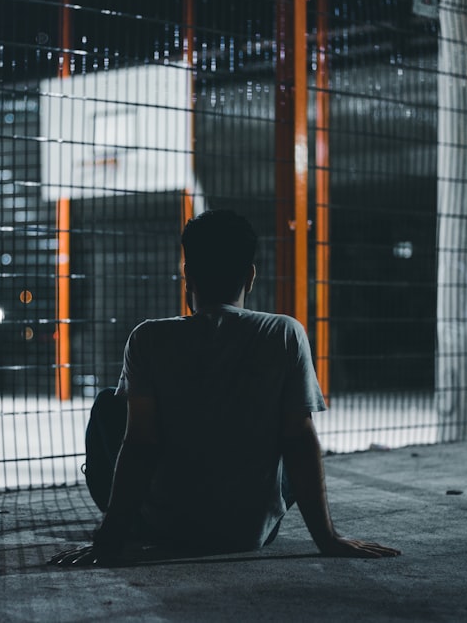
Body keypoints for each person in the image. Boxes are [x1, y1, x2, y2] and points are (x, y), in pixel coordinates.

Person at [51, 210, 399, 566]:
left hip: (165, 528)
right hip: (250, 533)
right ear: (250, 276)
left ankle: (130, 523)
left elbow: (140, 444)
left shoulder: (147, 337)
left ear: (187, 275)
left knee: (109, 404)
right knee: (290, 429)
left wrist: (109, 539)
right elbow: (299, 440)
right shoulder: (284, 333)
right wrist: (327, 538)